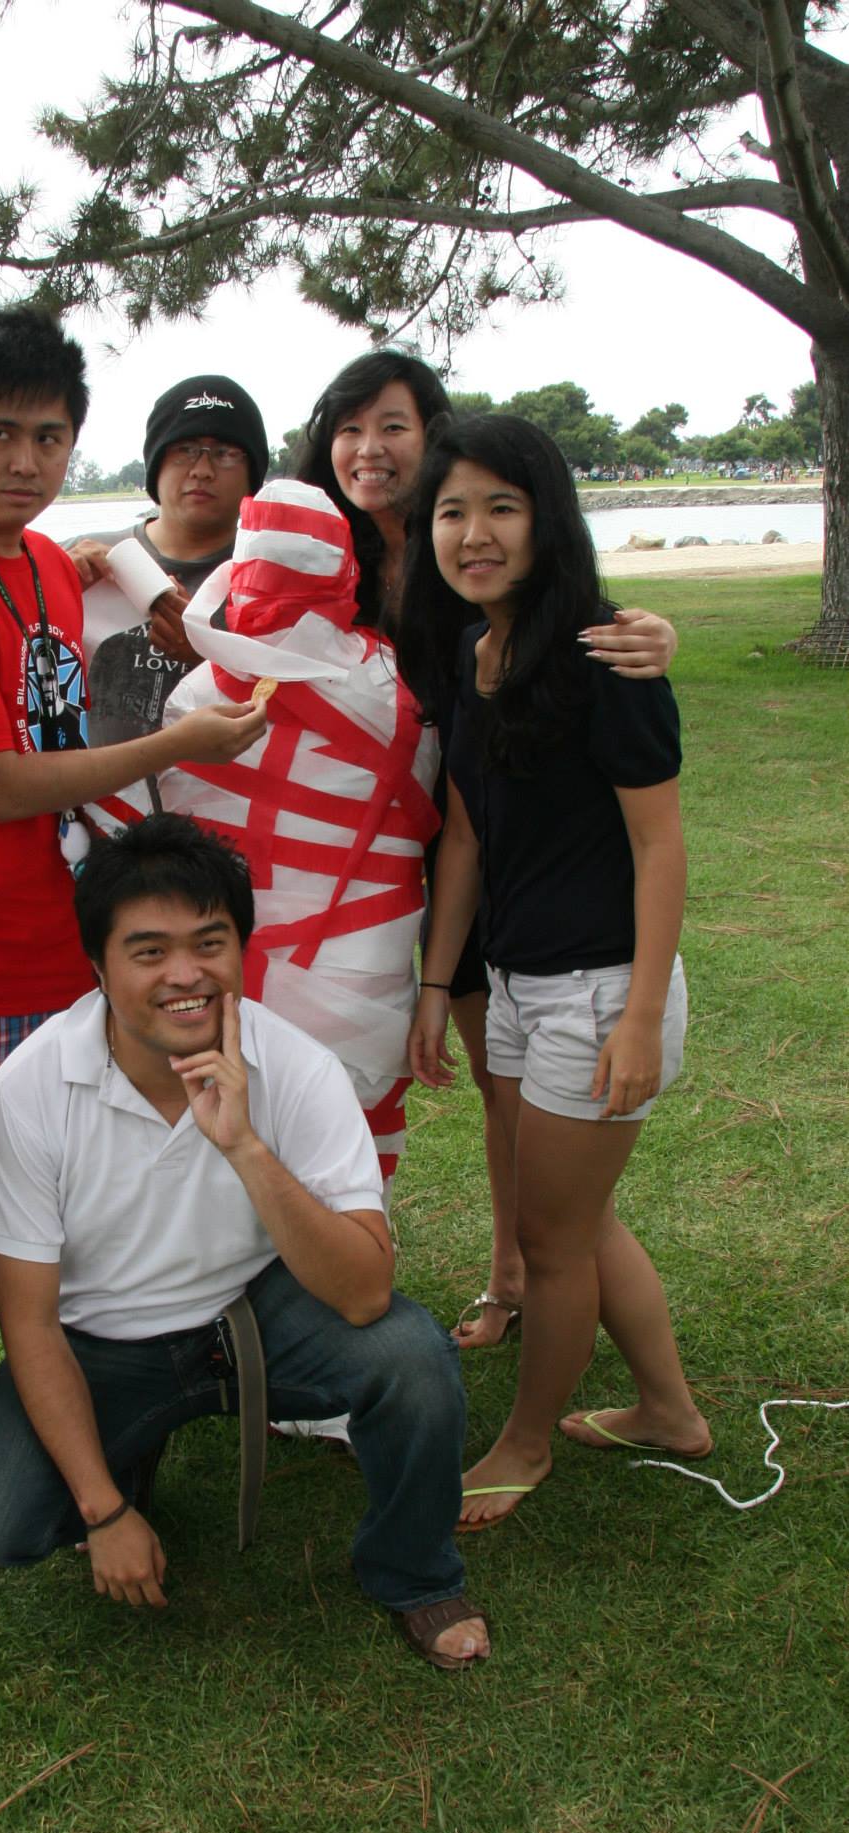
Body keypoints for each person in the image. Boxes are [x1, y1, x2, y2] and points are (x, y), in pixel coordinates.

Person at [0, 813, 490, 1671]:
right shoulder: (32, 1089)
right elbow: (31, 1326)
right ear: (98, 965)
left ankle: (415, 1572)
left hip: (255, 1310)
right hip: (100, 1343)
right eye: (149, 951)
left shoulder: (295, 1066)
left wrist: (243, 1146)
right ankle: (123, 1465)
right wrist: (103, 1512)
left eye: (210, 944)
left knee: (412, 1359)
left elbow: (365, 1293)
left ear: (241, 951)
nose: (185, 974)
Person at [0, 311, 268, 1462]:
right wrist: (175, 742)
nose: (26, 461)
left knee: (67, 1189)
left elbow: (65, 626)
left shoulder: (46, 560)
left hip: (70, 943)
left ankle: (68, 1386)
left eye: (50, 437)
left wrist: (102, 562)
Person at [296, 350, 681, 1350]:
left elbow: (574, 629)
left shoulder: (485, 583)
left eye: (392, 424)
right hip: (387, 867)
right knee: (483, 1073)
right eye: (348, 426)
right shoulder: (318, 553)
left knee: (515, 1096)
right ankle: (540, 1264)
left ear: (430, 435)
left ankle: (525, 1271)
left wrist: (652, 633)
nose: (368, 448)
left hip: (506, 875)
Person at [402, 413, 710, 1529]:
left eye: (502, 506)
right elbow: (465, 839)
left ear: (547, 520)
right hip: (520, 986)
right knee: (580, 1221)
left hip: (600, 990)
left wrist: (639, 1016)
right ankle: (668, 1411)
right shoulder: (472, 653)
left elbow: (659, 846)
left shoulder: (607, 656)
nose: (474, 533)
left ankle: (525, 1444)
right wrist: (435, 985)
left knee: (553, 1241)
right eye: (452, 511)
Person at [69, 374, 269, 769]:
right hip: (90, 796)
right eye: (185, 450)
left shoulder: (272, 579)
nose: (203, 469)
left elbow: (302, 711)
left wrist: (208, 653)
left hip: (222, 801)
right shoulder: (79, 557)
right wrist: (45, 582)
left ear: (253, 473)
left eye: (226, 453)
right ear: (156, 465)